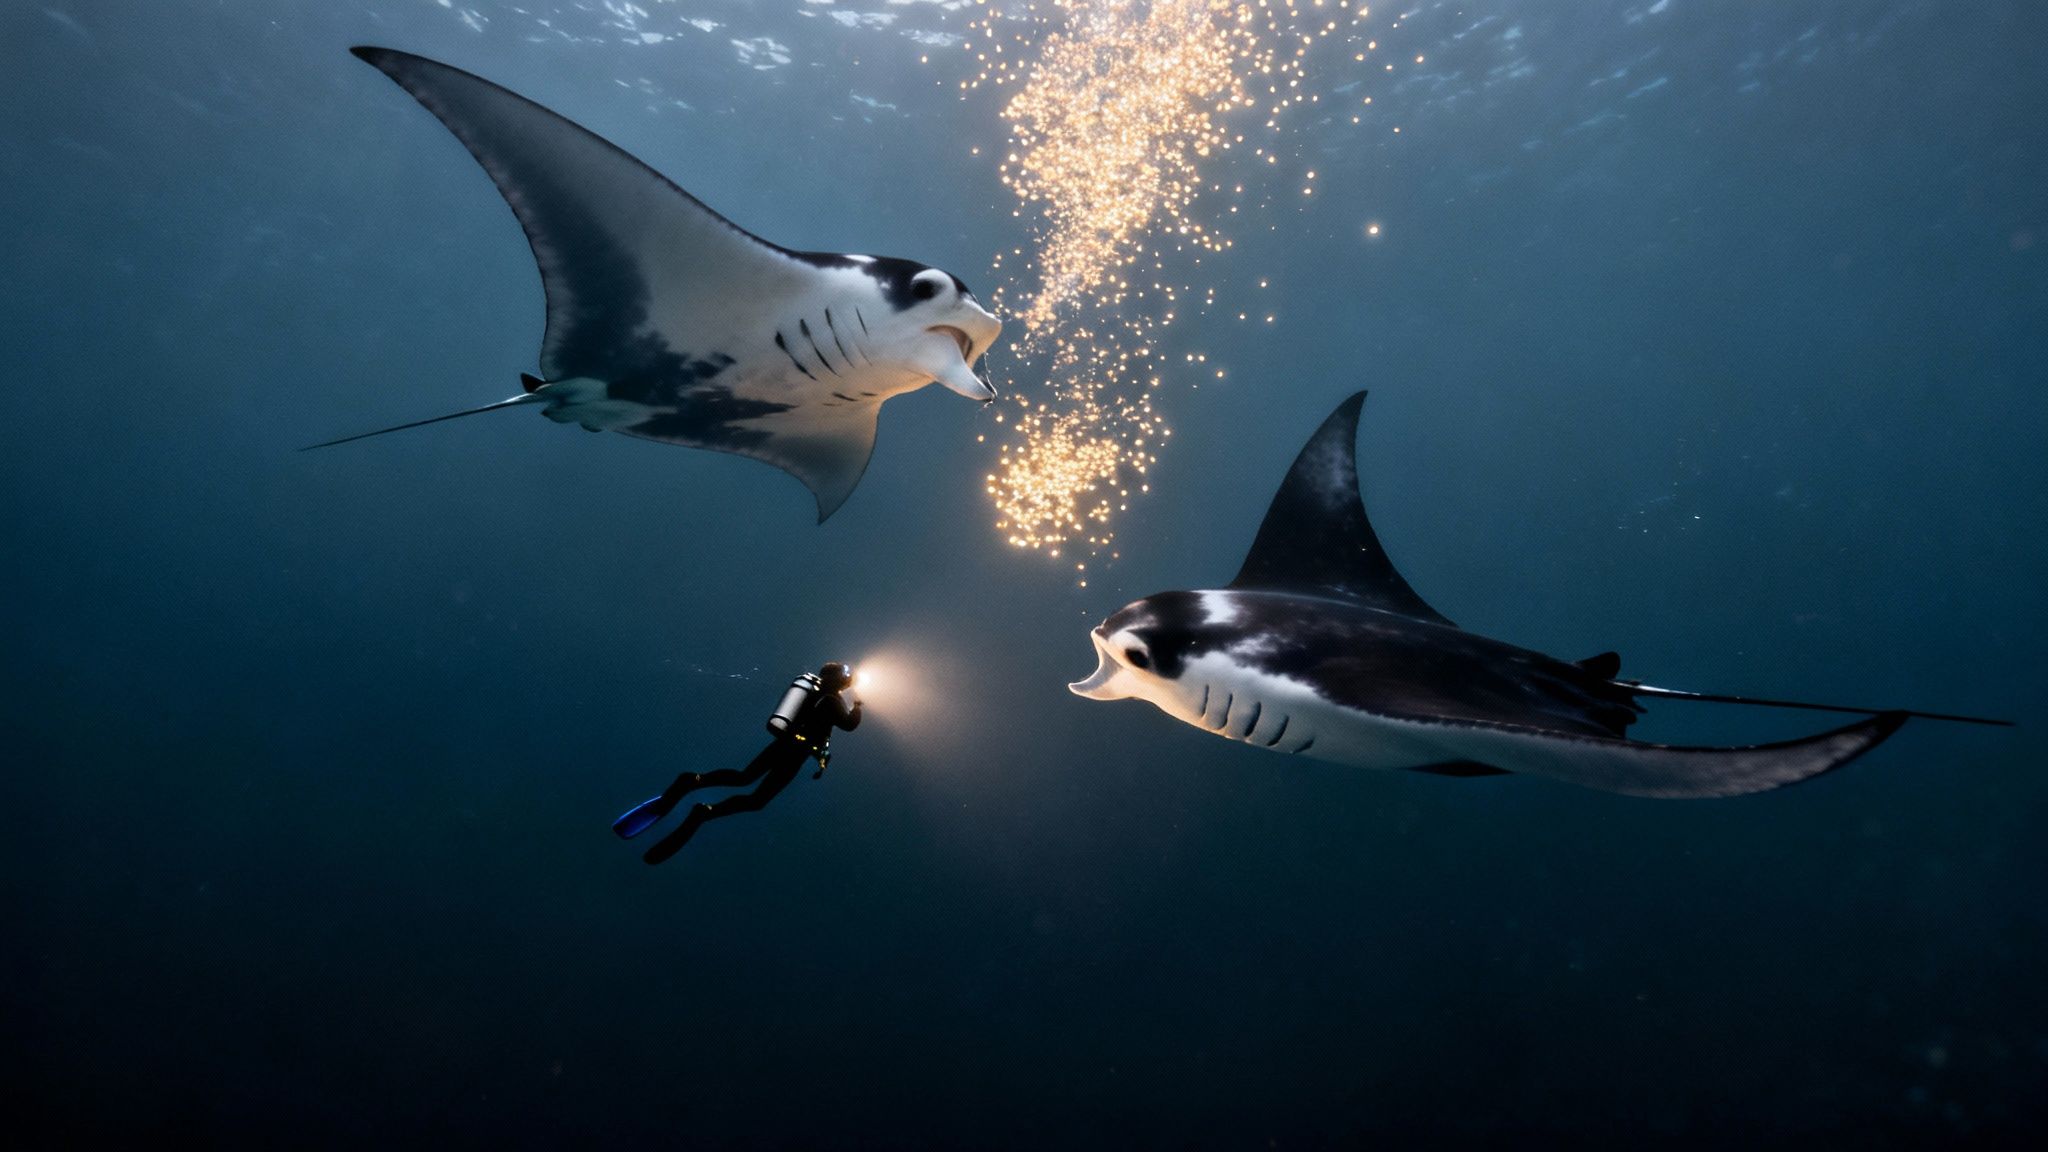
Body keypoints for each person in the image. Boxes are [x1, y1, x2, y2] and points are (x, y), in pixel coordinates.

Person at [613, 662, 862, 865]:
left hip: (784, 747)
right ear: (837, 678)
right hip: (793, 753)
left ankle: (694, 783)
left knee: (743, 778)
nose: (847, 679)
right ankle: (703, 810)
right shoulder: (830, 699)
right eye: (845, 675)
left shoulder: (820, 695)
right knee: (756, 799)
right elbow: (849, 724)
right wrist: (859, 704)